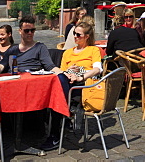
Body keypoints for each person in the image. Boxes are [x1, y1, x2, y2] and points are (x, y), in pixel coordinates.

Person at [44, 21, 102, 151]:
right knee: (58, 84)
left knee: (56, 96)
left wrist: (81, 76)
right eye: (74, 33)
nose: (75, 36)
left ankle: (54, 135)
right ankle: (64, 113)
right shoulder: (67, 52)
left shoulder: (93, 50)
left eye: (78, 34)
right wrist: (69, 71)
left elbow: (98, 69)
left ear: (87, 36)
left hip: (84, 85)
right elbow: (61, 72)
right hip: (68, 82)